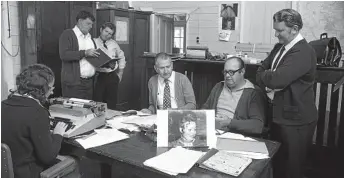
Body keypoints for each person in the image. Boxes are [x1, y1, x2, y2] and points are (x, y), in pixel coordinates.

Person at [256, 9, 317, 178]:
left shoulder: (303, 52)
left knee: (292, 169)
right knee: (278, 165)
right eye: (275, 29)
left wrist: (268, 77)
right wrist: (267, 76)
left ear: (295, 29)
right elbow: (260, 70)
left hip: (296, 122)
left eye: (280, 30)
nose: (276, 34)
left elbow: (277, 80)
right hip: (278, 116)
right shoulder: (279, 48)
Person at [1, 64, 68, 178]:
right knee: (72, 161)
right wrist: (58, 134)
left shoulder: (2, 105)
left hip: (4, 171)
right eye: (51, 88)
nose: (51, 92)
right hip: (28, 174)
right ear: (42, 89)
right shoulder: (37, 113)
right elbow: (48, 157)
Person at [202, 57, 267, 136]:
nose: (227, 76)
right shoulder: (219, 86)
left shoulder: (253, 92)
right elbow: (205, 109)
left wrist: (229, 122)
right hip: (213, 132)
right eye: (225, 72)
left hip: (235, 136)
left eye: (231, 72)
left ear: (242, 71)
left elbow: (257, 126)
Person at [59, 10, 99, 100]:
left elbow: (92, 57)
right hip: (74, 83)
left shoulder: (89, 38)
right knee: (74, 111)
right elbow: (64, 55)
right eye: (88, 24)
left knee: (87, 110)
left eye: (91, 24)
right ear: (80, 21)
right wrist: (84, 53)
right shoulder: (68, 34)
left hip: (89, 82)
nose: (91, 27)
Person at [93, 22, 126, 110]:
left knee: (112, 103)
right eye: (106, 31)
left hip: (112, 76)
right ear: (101, 30)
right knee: (98, 102)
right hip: (99, 76)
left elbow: (121, 56)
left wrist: (120, 73)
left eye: (110, 34)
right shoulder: (93, 42)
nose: (107, 35)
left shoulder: (114, 44)